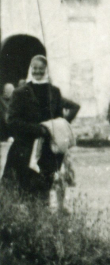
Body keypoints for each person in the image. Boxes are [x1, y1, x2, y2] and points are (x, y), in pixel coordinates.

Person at [5, 56, 80, 205]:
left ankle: (41, 216)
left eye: (41, 68)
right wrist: (37, 129)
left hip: (47, 149)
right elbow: (12, 121)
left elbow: (58, 117)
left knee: (44, 189)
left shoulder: (54, 92)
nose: (38, 71)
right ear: (30, 69)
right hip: (24, 149)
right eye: (35, 68)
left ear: (46, 70)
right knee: (20, 191)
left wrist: (56, 127)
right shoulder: (20, 92)